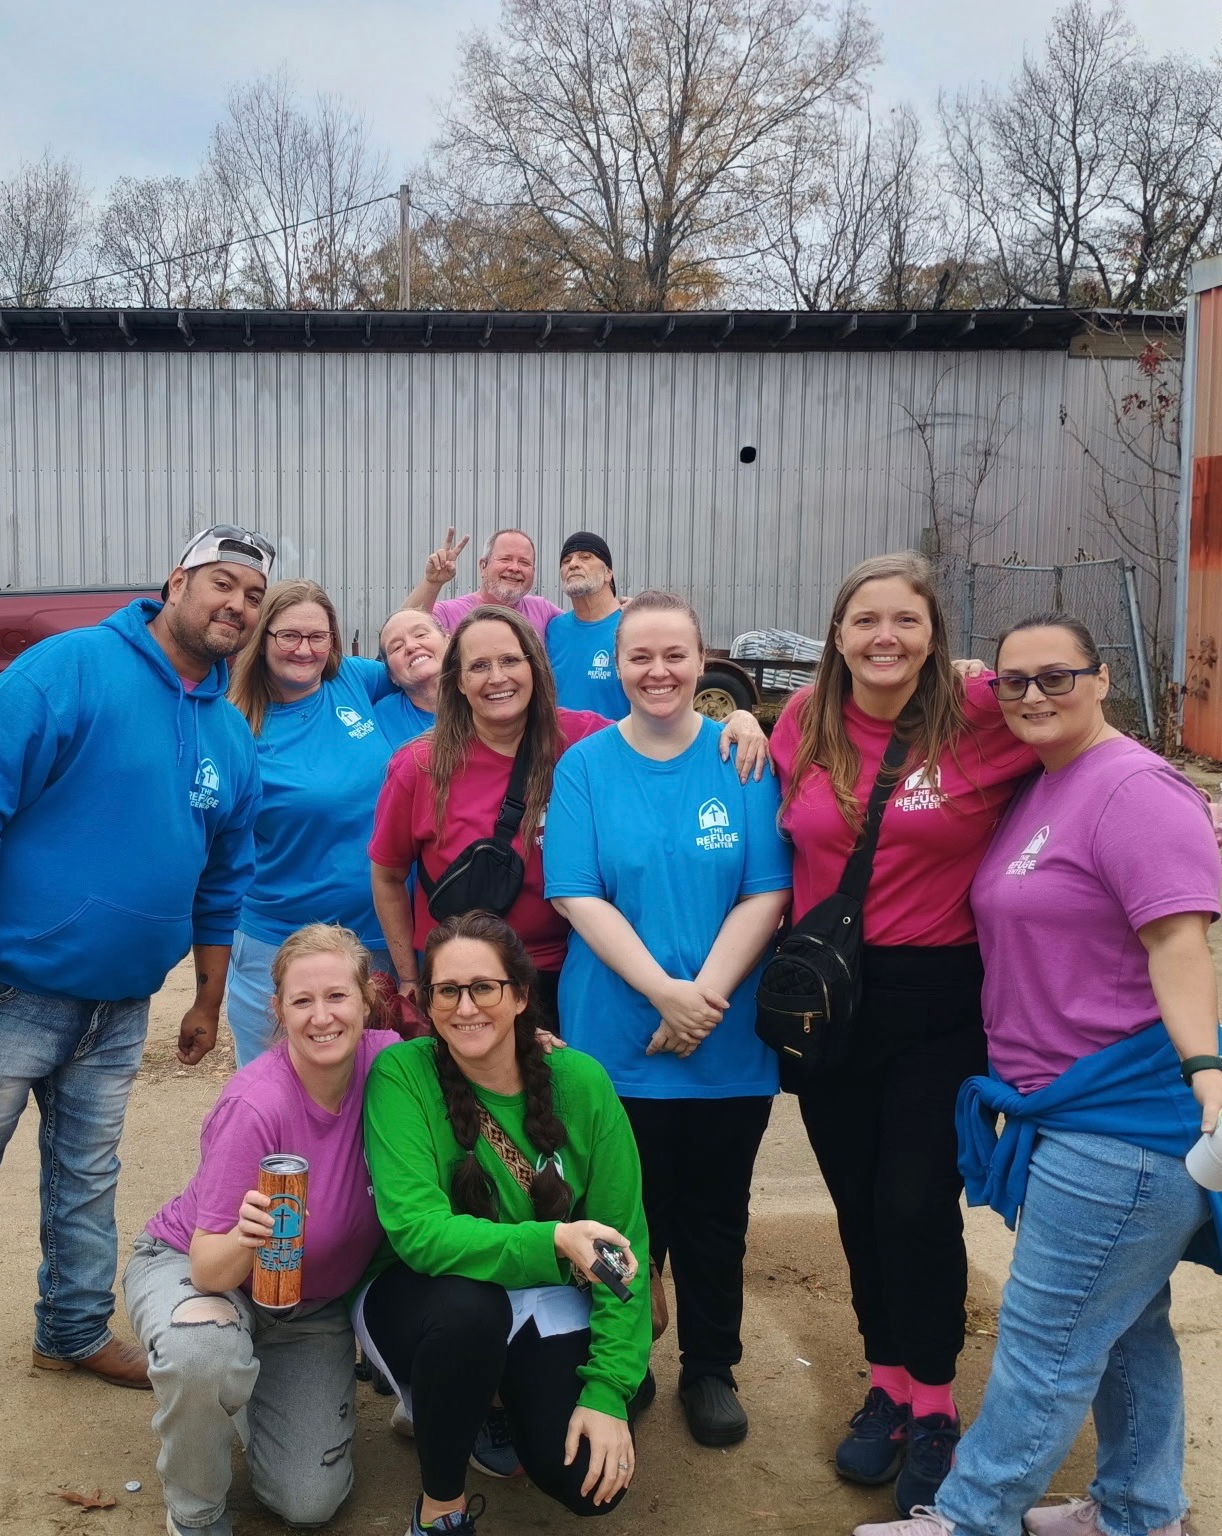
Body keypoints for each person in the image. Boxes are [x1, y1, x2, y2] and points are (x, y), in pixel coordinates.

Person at [854, 612, 1222, 1536]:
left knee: (1045, 1345)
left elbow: (1178, 941)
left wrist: (1204, 1068)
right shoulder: (1049, 779)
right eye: (1015, 683)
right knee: (1124, 1328)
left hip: (1122, 1121)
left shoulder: (1133, 789)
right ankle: (1137, 1508)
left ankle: (966, 1518)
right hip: (1069, 1105)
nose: (1034, 696)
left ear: (1102, 677)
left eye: (1057, 678)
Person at [0, 523, 272, 1438]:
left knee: (85, 1178)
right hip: (4, 990)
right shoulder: (67, 669)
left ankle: (67, 1332)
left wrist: (209, 997)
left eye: (255, 595)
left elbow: (222, 879)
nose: (238, 605)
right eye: (222, 582)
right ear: (174, 580)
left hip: (118, 1006)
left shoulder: (228, 730)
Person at [769, 552, 1036, 1511]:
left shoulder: (981, 716)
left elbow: (1088, 740)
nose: (885, 637)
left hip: (938, 999)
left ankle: (934, 1404)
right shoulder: (799, 721)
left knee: (914, 1203)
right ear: (836, 637)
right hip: (828, 1000)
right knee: (854, 1203)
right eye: (865, 621)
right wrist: (726, 724)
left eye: (905, 622)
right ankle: (883, 1385)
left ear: (935, 637)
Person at [545, 589, 792, 1448]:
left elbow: (767, 890)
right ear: (615, 665)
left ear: (701, 662)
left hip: (725, 1038)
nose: (656, 672)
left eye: (673, 655)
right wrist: (664, 993)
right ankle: (624, 1362)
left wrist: (701, 1002)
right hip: (616, 1037)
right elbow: (576, 893)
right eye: (638, 657)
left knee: (716, 1212)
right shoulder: (583, 767)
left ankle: (710, 1364)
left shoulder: (741, 758)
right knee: (620, 1210)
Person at [357, 910, 651, 1536]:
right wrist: (554, 1240)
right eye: (447, 990)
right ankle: (442, 1505)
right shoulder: (401, 1075)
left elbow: (625, 1243)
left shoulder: (582, 1082)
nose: (466, 1007)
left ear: (520, 996)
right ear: (427, 1000)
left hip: (545, 1297)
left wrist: (607, 1391)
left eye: (484, 987)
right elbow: (419, 1233)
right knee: (471, 1313)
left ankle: (494, 1398)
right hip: (425, 1296)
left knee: (586, 1484)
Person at [125, 924, 401, 1536]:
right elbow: (208, 1268)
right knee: (202, 1356)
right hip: (202, 1272)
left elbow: (470, 1062)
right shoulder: (255, 1104)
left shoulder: (390, 1064)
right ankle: (195, 1513)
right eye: (302, 1002)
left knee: (309, 1504)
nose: (322, 1017)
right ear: (277, 1011)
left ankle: (246, 1391)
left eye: (337, 997)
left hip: (311, 1310)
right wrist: (250, 1238)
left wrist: (532, 1044)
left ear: (367, 1000)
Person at [369, 606, 767, 1024]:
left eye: (510, 660)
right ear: (459, 681)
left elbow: (662, 730)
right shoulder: (420, 766)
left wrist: (738, 721)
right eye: (479, 666)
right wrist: (411, 978)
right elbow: (387, 876)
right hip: (463, 982)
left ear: (536, 668)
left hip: (566, 972)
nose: (497, 677)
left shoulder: (586, 740)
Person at [223, 578, 405, 1063]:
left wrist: (432, 592)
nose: (304, 649)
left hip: (375, 935)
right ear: (261, 640)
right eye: (288, 636)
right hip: (277, 942)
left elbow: (412, 651)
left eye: (317, 637)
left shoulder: (350, 680)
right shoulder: (234, 726)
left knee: (377, 1088)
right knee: (276, 1088)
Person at [406, 527, 563, 638]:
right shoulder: (449, 612)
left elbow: (583, 627)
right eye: (505, 559)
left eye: (524, 562)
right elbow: (404, 627)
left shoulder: (543, 610)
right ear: (483, 566)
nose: (514, 568)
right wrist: (431, 582)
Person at [544, 532, 626, 719]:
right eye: (566, 561)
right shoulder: (554, 629)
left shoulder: (632, 626)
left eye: (585, 557)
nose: (573, 564)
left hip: (614, 746)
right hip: (561, 747)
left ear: (608, 573)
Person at [376, 607, 447, 749]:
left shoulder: (483, 696)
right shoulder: (379, 719)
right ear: (392, 676)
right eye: (397, 647)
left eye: (420, 634)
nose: (410, 646)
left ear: (449, 641)